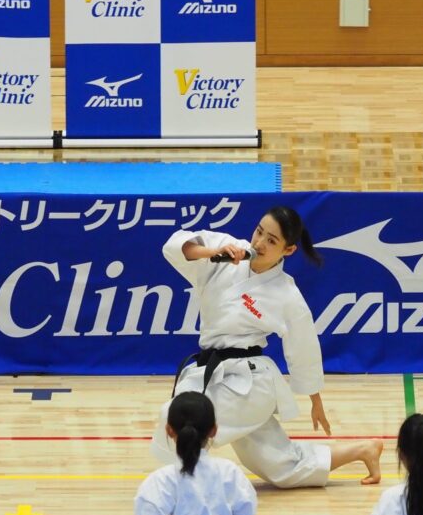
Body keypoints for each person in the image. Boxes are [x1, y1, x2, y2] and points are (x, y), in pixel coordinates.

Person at [154, 205, 382, 488]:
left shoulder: (286, 293)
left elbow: (303, 345)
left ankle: (180, 489)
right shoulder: (228, 249)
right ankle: (364, 450)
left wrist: (315, 399)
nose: (259, 243)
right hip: (212, 374)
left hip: (248, 382)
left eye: (271, 240)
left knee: (177, 418)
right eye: (259, 232)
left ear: (288, 251)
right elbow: (176, 247)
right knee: (283, 467)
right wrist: (214, 255)